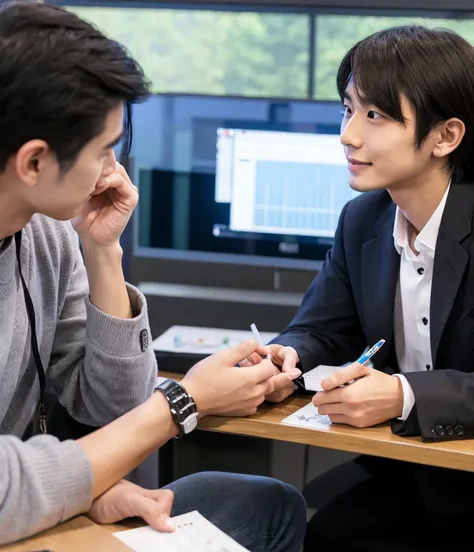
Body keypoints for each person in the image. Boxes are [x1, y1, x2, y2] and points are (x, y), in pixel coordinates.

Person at [0, 1, 306, 546]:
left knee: (266, 504)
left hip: (37, 496)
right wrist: (181, 404)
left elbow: (111, 411)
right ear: (34, 163)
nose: (113, 170)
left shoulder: (44, 233)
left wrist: (101, 250)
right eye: (102, 150)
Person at [245, 25, 474, 551]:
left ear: (446, 136)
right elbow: (322, 327)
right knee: (321, 530)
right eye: (348, 110)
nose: (348, 135)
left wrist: (403, 394)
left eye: (375, 115)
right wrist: (286, 357)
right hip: (411, 469)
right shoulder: (363, 220)